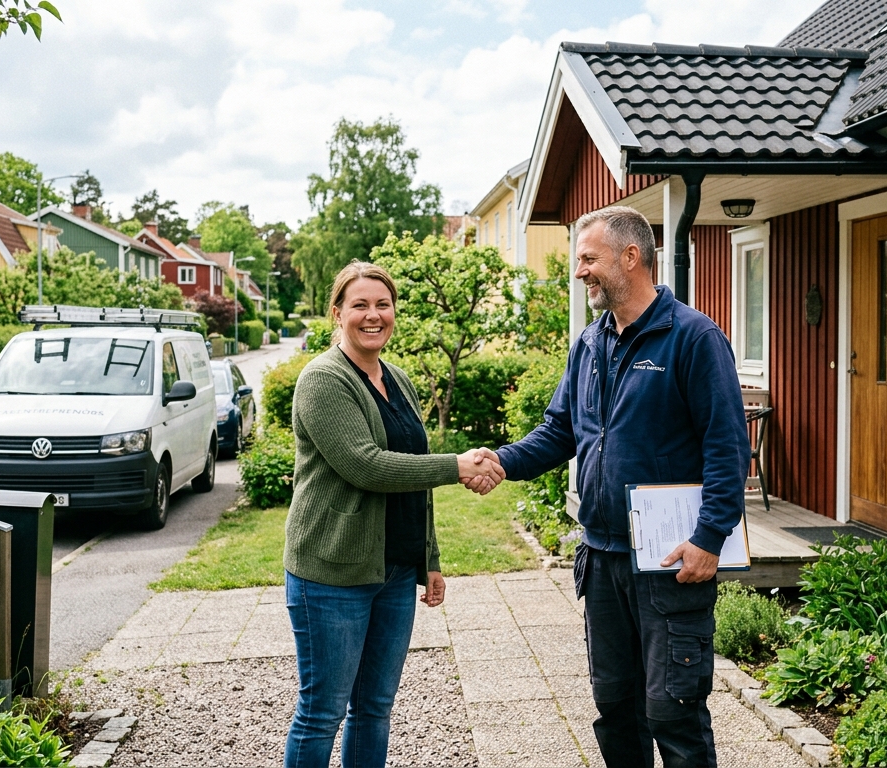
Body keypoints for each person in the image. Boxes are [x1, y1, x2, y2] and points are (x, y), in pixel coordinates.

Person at [480, 206, 749, 767]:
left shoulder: (694, 339)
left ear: (631, 257)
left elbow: (728, 449)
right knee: (615, 709)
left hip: (667, 565)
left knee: (673, 711)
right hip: (602, 560)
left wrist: (710, 539)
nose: (579, 271)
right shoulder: (590, 344)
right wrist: (500, 462)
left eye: (587, 258)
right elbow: (560, 431)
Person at [283, 261, 505, 768]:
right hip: (333, 573)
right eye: (359, 305)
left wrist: (428, 557)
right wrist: (458, 465)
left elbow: (413, 479)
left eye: (382, 304)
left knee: (375, 709)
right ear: (337, 313)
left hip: (395, 570)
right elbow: (368, 466)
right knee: (322, 711)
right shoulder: (322, 380)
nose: (373, 315)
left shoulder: (396, 377)